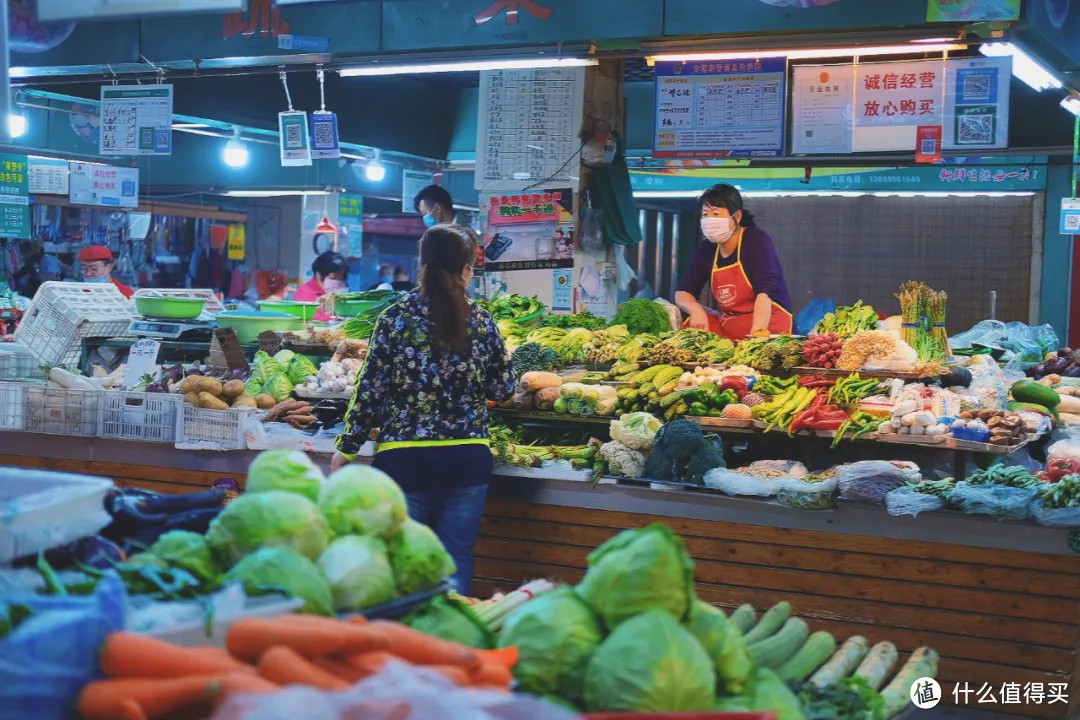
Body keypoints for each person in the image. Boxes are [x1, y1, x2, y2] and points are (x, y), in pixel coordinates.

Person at [332, 224, 516, 594]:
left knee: (404, 561)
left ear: (422, 265)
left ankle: (404, 642)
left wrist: (346, 447)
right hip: (467, 459)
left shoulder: (394, 319)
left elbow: (371, 390)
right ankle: (448, 643)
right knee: (454, 560)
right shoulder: (482, 321)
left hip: (405, 461)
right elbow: (504, 389)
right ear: (466, 270)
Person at [674, 183, 792, 340]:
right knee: (689, 322)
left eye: (716, 214)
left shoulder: (756, 240)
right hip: (730, 324)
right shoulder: (707, 248)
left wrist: (755, 340)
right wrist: (695, 310)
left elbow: (764, 294)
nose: (709, 220)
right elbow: (683, 293)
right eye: (705, 214)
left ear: (736, 217)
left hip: (768, 324)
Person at [293, 251, 348, 321]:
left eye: (340, 279)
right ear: (318, 275)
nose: (337, 284)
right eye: (333, 278)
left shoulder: (333, 294)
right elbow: (311, 319)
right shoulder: (304, 294)